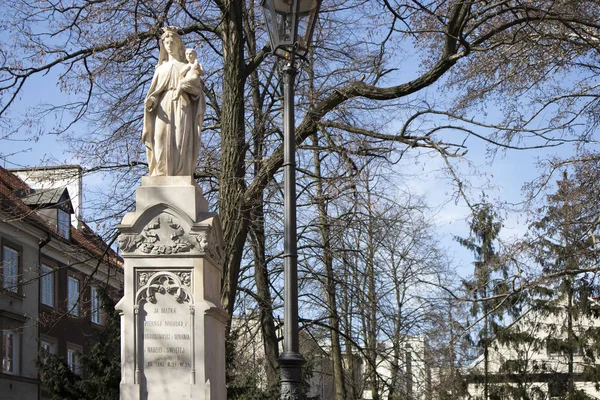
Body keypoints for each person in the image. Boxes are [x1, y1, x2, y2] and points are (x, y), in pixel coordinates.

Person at [142, 27, 206, 176]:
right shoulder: (160, 69)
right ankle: (161, 171)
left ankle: (180, 173)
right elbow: (153, 93)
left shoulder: (187, 67)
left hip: (183, 104)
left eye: (172, 42)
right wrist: (151, 102)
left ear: (178, 44)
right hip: (163, 107)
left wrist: (190, 90)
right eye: (166, 43)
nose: (169, 46)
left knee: (180, 140)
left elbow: (198, 94)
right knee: (160, 137)